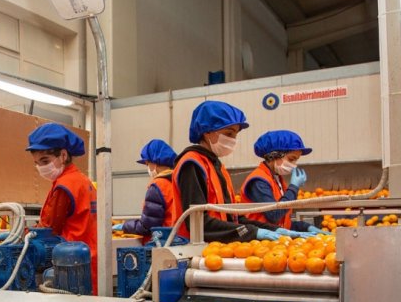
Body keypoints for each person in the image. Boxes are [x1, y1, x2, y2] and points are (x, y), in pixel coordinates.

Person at [171, 100, 282, 242]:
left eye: (235, 135)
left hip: (216, 248)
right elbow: (198, 222)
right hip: (193, 249)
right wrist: (251, 233)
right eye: (228, 133)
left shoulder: (217, 166)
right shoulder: (192, 164)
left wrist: (272, 229)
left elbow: (233, 217)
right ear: (207, 133)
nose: (233, 140)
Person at [26, 123, 98, 294]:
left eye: (45, 161)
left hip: (69, 263)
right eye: (37, 163)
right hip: (89, 257)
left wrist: (22, 236)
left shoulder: (64, 186)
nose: (41, 168)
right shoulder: (83, 180)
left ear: (63, 155)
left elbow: (49, 230)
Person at [240, 130, 327, 235]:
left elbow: (283, 222)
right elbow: (274, 215)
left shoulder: (276, 179)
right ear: (274, 155)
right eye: (291, 159)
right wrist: (293, 187)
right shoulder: (258, 181)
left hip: (276, 241)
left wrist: (306, 227)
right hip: (260, 243)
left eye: (296, 160)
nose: (294, 165)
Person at [113, 139, 177, 244]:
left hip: (161, 243)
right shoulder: (177, 182)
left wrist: (124, 226)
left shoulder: (158, 186)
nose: (147, 168)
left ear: (154, 163)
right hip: (177, 240)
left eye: (147, 164)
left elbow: (147, 227)